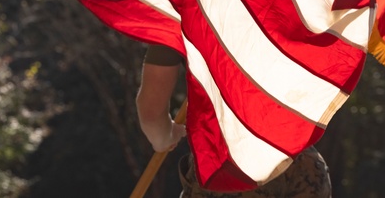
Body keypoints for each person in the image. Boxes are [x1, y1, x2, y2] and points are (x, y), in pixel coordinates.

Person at [136, 44, 331, 198]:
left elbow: (151, 115)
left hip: (226, 173)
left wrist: (166, 136)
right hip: (303, 164)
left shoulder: (180, 6)